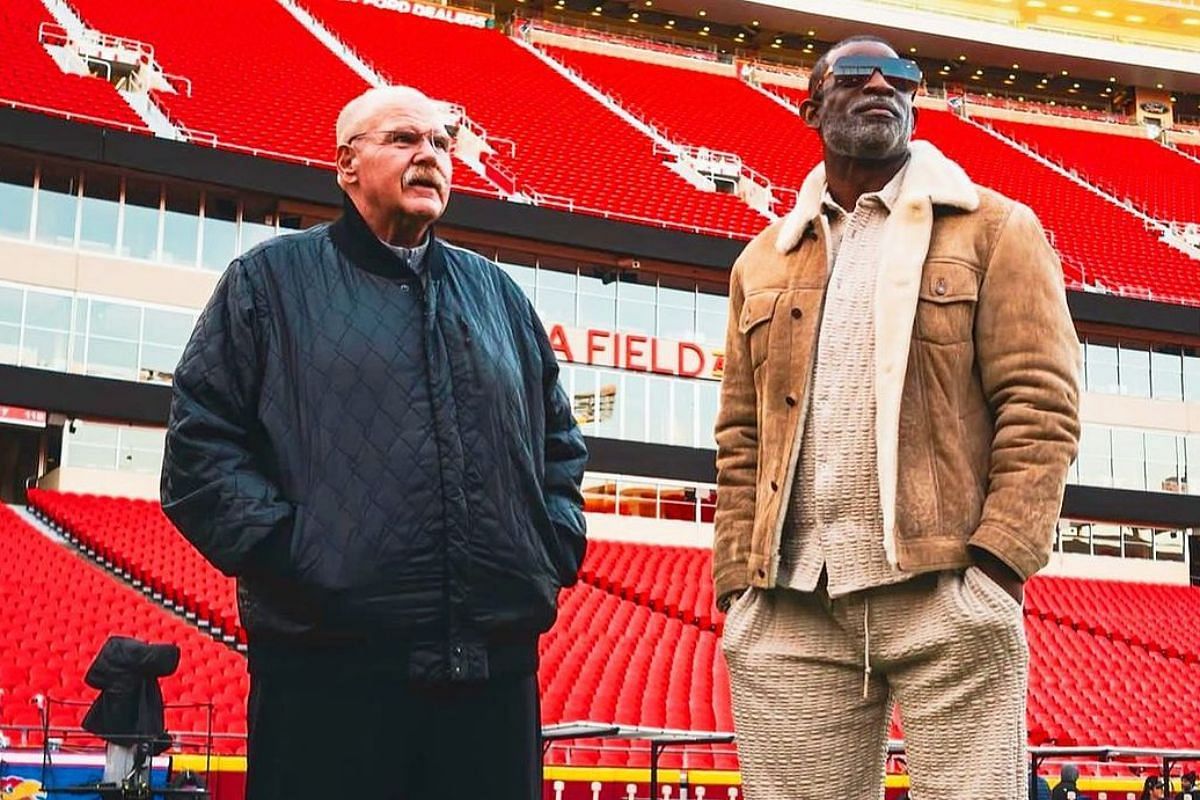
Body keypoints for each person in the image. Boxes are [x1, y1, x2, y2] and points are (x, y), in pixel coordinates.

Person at [160, 85, 588, 800]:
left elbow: (559, 445)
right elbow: (199, 454)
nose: (430, 155)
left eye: (442, 143)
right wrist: (302, 562)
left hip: (491, 675)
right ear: (346, 164)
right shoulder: (268, 284)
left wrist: (550, 547)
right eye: (403, 139)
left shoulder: (499, 296)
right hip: (328, 680)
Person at [713, 34, 1080, 799]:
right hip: (791, 602)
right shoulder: (761, 262)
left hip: (944, 588)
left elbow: (1041, 404)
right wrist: (736, 589)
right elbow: (741, 435)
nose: (882, 81)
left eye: (902, 74)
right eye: (854, 72)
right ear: (809, 106)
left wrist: (998, 566)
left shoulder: (994, 228)